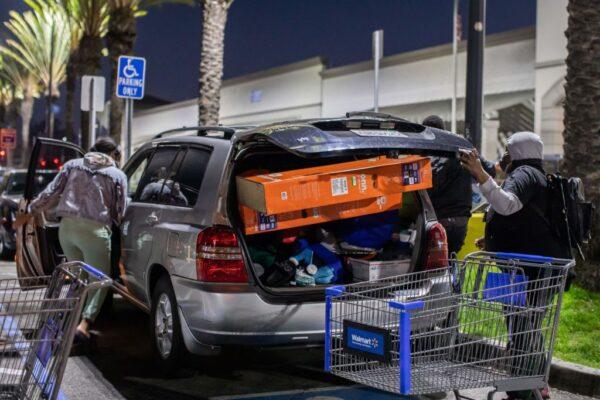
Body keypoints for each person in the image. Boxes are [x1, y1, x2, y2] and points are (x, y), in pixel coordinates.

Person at [460, 131, 569, 400]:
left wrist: (479, 173)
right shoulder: (536, 175)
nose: (504, 156)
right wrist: (497, 238)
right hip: (533, 271)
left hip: (528, 274)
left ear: (519, 153)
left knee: (522, 330)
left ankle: (523, 393)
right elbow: (526, 218)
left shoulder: (524, 174)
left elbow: (507, 205)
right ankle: (535, 386)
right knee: (528, 329)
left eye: (508, 150)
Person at [15, 137, 127, 343]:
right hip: (95, 232)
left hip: (67, 229)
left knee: (78, 277)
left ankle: (66, 319)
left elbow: (50, 192)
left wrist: (29, 212)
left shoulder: (71, 166)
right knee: (100, 280)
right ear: (113, 154)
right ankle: (84, 324)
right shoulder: (116, 175)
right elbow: (121, 211)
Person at [422, 115, 498, 255]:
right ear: (443, 130)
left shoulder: (423, 152)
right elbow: (490, 170)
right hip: (460, 220)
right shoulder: (461, 147)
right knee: (451, 258)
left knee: (432, 263)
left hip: (435, 219)